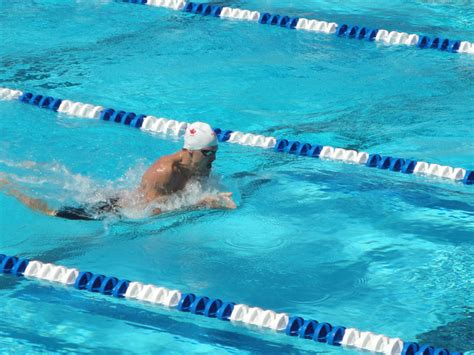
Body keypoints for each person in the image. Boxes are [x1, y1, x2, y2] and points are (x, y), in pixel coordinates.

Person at [1, 122, 236, 220]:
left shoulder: (200, 164)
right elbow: (150, 214)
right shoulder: (163, 172)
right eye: (208, 152)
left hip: (131, 198)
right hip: (117, 209)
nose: (213, 157)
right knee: (55, 211)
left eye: (214, 151)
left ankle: (31, 169)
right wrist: (201, 203)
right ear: (190, 150)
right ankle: (10, 186)